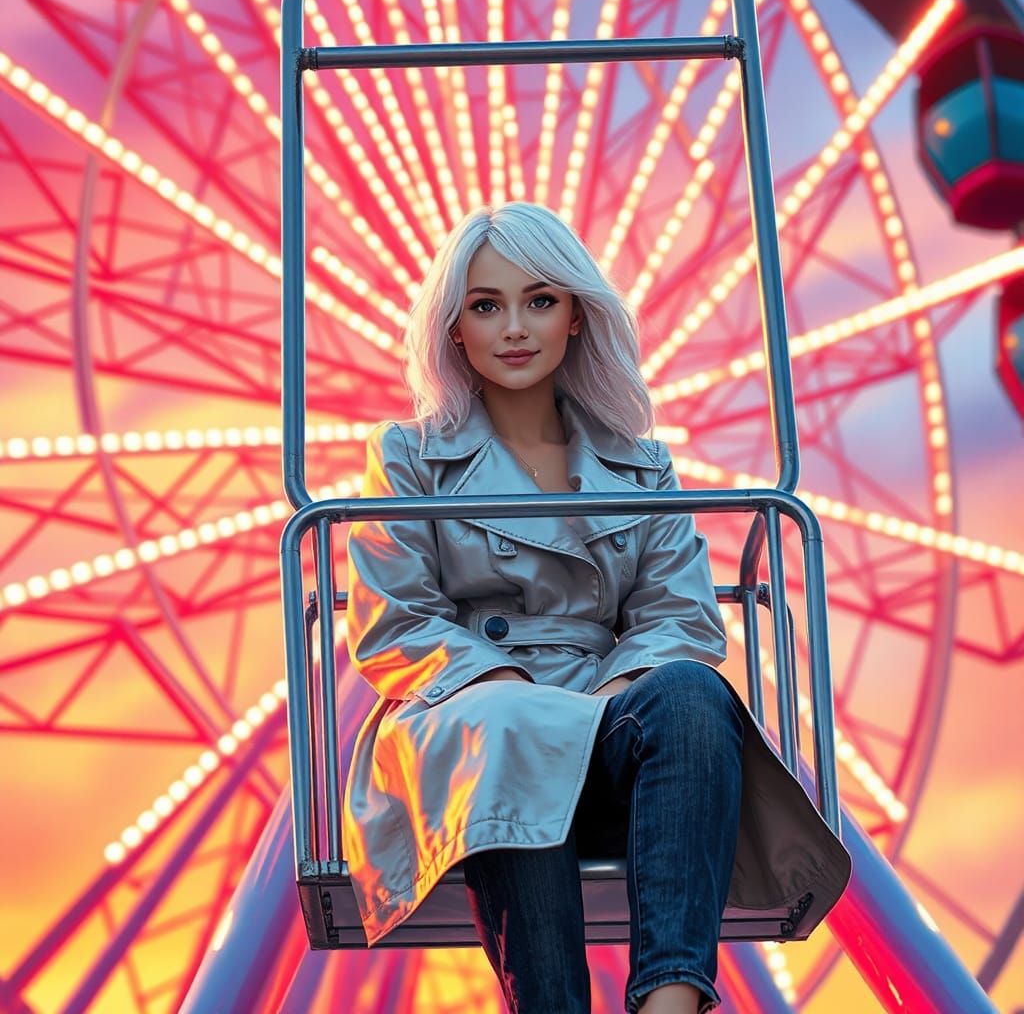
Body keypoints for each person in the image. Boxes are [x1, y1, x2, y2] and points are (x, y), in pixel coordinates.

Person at [343, 202, 851, 1014]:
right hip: (471, 727)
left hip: (607, 714)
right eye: (486, 305)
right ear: (453, 330)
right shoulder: (407, 457)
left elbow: (678, 616)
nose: (515, 327)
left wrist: (614, 693)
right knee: (512, 725)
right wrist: (504, 684)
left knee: (690, 693)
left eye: (540, 300)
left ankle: (671, 1000)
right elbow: (394, 620)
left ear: (578, 315)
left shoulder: (641, 467)